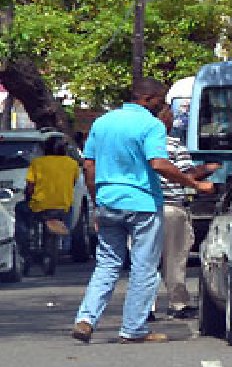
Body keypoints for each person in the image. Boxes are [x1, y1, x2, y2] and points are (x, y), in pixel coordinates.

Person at [71, 78, 216, 344]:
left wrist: (96, 203)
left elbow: (89, 166)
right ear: (148, 99)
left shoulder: (102, 122)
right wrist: (194, 183)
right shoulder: (151, 125)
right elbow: (159, 164)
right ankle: (133, 328)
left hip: (108, 201)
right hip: (142, 204)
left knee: (107, 264)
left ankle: (86, 319)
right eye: (160, 100)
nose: (162, 105)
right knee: (144, 267)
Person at [154, 105, 219, 319]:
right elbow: (187, 174)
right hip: (171, 207)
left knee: (145, 260)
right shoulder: (172, 144)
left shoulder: (135, 144)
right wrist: (207, 169)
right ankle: (178, 303)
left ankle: (144, 307)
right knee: (174, 258)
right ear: (165, 120)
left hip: (142, 208)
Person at [17, 137, 78, 262]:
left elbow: (30, 186)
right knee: (71, 209)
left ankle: (24, 243)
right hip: (63, 206)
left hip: (39, 206)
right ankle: (66, 241)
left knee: (19, 209)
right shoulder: (72, 164)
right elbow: (73, 182)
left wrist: (28, 196)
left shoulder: (37, 163)